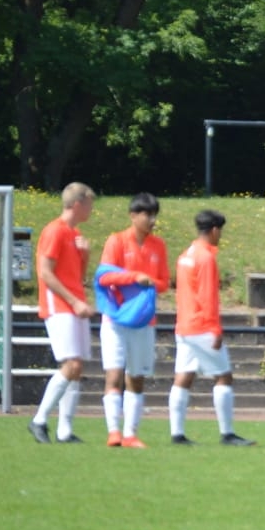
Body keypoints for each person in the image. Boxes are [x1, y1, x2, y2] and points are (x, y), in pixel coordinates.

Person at [169, 210, 254, 446]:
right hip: (201, 326)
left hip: (184, 325)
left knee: (183, 377)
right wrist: (215, 329)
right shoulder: (206, 258)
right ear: (214, 230)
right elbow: (208, 296)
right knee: (224, 376)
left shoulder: (186, 254)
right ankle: (227, 433)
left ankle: (177, 434)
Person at [96, 192, 169, 448]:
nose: (152, 220)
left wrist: (150, 282)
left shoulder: (158, 245)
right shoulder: (116, 241)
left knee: (137, 376)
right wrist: (134, 277)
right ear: (133, 215)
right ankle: (113, 432)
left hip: (144, 320)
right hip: (116, 319)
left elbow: (164, 283)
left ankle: (130, 434)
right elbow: (104, 276)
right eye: (147, 215)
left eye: (154, 215)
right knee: (114, 373)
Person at [29, 183, 97, 443]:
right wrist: (73, 301)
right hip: (59, 305)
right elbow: (45, 273)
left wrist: (85, 256)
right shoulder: (55, 231)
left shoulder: (74, 233)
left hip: (73, 304)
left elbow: (77, 277)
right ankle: (39, 420)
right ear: (78, 204)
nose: (91, 209)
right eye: (89, 204)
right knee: (72, 365)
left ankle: (64, 431)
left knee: (76, 367)